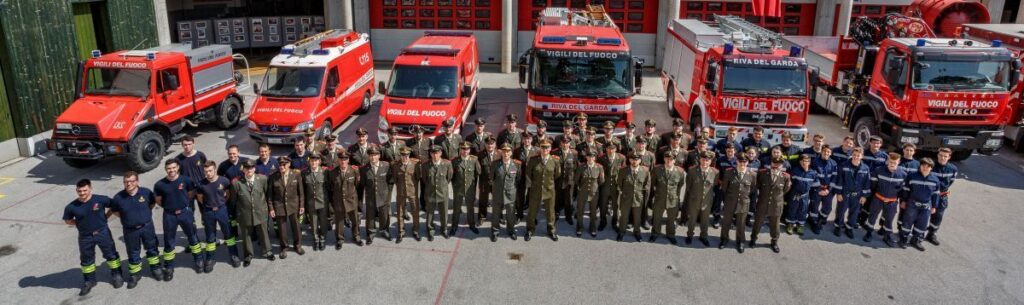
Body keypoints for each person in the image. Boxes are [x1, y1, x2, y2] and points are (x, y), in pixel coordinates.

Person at [65, 179, 123, 296]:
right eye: (79, 191)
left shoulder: (100, 199)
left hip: (102, 233)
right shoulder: (71, 207)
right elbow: (68, 220)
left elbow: (113, 206)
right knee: (86, 260)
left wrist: (106, 217)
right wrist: (80, 224)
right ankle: (89, 281)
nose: (82, 193)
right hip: (85, 236)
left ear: (90, 189)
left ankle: (116, 275)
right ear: (76, 190)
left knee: (111, 254)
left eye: (85, 190)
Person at [109, 172, 161, 287]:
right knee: (133, 252)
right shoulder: (118, 198)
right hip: (130, 230)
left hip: (147, 227)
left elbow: (151, 204)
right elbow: (116, 212)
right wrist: (129, 219)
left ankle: (155, 268)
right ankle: (135, 274)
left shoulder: (146, 193)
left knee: (152, 247)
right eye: (126, 182)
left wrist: (143, 217)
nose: (129, 184)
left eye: (132, 181)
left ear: (137, 182)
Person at [153, 159, 204, 278]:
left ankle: (199, 260)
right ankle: (169, 266)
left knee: (192, 236)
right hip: (169, 215)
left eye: (173, 168)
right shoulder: (160, 184)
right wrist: (170, 206)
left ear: (178, 168)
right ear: (166, 169)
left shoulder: (186, 180)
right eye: (169, 168)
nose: (171, 170)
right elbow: (158, 200)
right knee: (169, 241)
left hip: (184, 213)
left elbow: (191, 193)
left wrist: (183, 202)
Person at [196, 161, 240, 273]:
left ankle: (234, 255)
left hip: (222, 210)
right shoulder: (201, 184)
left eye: (210, 171)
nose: (208, 173)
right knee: (210, 237)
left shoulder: (224, 181)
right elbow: (200, 198)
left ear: (215, 170)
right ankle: (210, 258)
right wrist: (209, 206)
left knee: (229, 234)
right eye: (206, 171)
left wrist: (221, 203)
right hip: (208, 212)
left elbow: (228, 194)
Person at [230, 160, 275, 265]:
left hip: (260, 212)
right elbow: (233, 200)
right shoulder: (237, 183)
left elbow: (267, 194)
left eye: (251, 168)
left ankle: (267, 251)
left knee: (263, 233)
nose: (249, 170)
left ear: (254, 168)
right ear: (243, 169)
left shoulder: (263, 179)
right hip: (244, 214)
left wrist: (268, 208)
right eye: (246, 168)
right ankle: (248, 255)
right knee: (246, 236)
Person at [864, 153, 908, 246]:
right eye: (891, 162)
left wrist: (901, 200)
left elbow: (902, 190)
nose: (892, 164)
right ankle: (869, 233)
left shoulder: (903, 174)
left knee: (889, 219)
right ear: (887, 161)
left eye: (895, 162)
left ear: (899, 162)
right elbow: (873, 185)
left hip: (892, 201)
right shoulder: (879, 170)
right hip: (878, 198)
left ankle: (887, 236)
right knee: (872, 216)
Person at [750, 157, 791, 253]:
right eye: (774, 163)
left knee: (775, 225)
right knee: (758, 223)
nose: (776, 166)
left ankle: (774, 242)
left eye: (779, 164)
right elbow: (757, 186)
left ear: (782, 166)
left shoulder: (786, 176)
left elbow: (785, 190)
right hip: (762, 203)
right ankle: (753, 239)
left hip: (776, 205)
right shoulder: (762, 173)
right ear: (771, 163)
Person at [899, 157, 941, 251]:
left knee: (922, 224)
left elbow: (936, 194)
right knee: (907, 222)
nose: (925, 168)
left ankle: (916, 240)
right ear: (920, 166)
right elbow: (906, 190)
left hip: (926, 206)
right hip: (912, 204)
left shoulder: (935, 180)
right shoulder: (912, 176)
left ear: (931, 168)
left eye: (928, 166)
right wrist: (903, 201)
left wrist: (934, 206)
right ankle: (903, 239)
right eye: (923, 166)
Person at [268, 156, 304, 258]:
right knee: (282, 229)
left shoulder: (296, 174)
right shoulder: (273, 176)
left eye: (284, 164)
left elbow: (301, 192)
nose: (281, 166)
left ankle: (297, 245)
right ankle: (284, 247)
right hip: (279, 206)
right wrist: (271, 208)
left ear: (289, 164)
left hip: (293, 205)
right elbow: (270, 195)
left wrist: (301, 205)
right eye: (280, 164)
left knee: (296, 227)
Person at [525, 140, 562, 241]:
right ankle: (530, 230)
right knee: (532, 211)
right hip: (535, 189)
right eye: (543, 147)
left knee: (550, 213)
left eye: (547, 147)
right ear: (540, 148)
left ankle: (551, 230)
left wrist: (548, 183)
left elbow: (557, 174)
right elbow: (528, 173)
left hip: (549, 190)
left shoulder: (555, 160)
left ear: (550, 149)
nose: (545, 149)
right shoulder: (533, 160)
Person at [832, 148, 872, 238]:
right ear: (851, 155)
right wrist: (838, 193)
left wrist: (864, 196)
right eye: (854, 155)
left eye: (858, 155)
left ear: (862, 156)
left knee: (854, 212)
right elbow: (839, 180)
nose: (856, 157)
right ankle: (838, 226)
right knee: (841, 210)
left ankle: (849, 228)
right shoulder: (844, 165)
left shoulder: (865, 168)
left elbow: (867, 183)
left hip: (857, 195)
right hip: (844, 193)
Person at [719, 155, 755, 253]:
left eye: (744, 162)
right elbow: (724, 188)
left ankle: (740, 241)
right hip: (730, 201)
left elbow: (751, 190)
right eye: (740, 161)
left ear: (747, 162)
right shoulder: (729, 172)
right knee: (726, 222)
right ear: (737, 162)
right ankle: (724, 239)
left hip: (743, 202)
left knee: (741, 224)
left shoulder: (752, 174)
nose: (742, 164)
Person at [327, 152, 364, 248]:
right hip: (339, 200)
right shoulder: (333, 172)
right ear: (338, 160)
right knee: (339, 221)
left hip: (351, 200)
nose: (343, 161)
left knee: (355, 220)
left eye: (345, 159)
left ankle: (356, 236)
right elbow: (331, 187)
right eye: (341, 159)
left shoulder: (354, 170)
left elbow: (356, 184)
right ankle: (339, 239)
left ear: (348, 160)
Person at [419, 145, 453, 240]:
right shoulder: (425, 165)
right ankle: (430, 229)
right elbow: (425, 179)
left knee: (444, 212)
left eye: (437, 153)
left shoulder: (447, 164)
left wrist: (442, 186)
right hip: (430, 193)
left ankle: (444, 229)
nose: (435, 155)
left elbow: (449, 177)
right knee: (430, 213)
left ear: (441, 153)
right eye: (433, 153)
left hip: (443, 192)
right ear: (430, 154)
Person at [490, 144, 524, 241]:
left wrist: (511, 188)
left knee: (511, 213)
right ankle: (495, 231)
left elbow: (518, 179)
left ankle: (511, 230)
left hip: (510, 194)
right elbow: (492, 178)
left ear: (511, 153)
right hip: (498, 193)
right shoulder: (495, 164)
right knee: (496, 214)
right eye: (504, 151)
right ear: (501, 152)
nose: (506, 153)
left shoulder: (517, 164)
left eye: (508, 151)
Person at [650, 151, 685, 244]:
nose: (669, 160)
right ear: (664, 159)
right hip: (659, 198)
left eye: (671, 159)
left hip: (673, 199)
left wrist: (676, 196)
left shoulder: (680, 171)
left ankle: (670, 234)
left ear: (674, 160)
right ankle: (655, 233)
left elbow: (680, 185)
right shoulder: (657, 169)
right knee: (657, 217)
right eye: (667, 158)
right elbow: (653, 183)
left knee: (671, 219)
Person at [684, 151, 717, 246]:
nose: (705, 162)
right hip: (694, 199)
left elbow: (713, 185)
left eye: (707, 160)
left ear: (710, 161)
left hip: (707, 201)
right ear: (700, 159)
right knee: (692, 219)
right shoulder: (692, 170)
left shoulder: (715, 172)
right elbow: (688, 186)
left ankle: (703, 236)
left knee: (705, 220)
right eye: (703, 160)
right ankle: (689, 235)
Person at [615, 152, 650, 242]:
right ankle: (621, 232)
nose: (634, 161)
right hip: (626, 197)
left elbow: (646, 185)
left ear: (640, 160)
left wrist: (641, 195)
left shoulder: (645, 171)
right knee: (624, 216)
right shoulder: (623, 170)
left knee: (637, 217)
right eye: (632, 159)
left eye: (636, 159)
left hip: (638, 198)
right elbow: (619, 184)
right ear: (629, 160)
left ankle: (637, 232)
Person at [361, 147, 393, 244]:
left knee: (384, 214)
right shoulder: (364, 169)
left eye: (375, 155)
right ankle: (371, 233)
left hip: (383, 195)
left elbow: (390, 181)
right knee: (370, 215)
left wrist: (388, 193)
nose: (373, 157)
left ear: (379, 155)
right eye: (371, 155)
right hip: (370, 196)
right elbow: (363, 184)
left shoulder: (386, 166)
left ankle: (384, 230)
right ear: (369, 156)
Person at [925, 148, 956, 246]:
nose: (943, 158)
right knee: (923, 215)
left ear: (949, 157)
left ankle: (931, 234)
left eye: (945, 156)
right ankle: (917, 234)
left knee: (938, 217)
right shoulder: (931, 166)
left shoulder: (953, 169)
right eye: (941, 155)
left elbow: (951, 181)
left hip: (942, 197)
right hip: (929, 196)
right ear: (937, 155)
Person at [451, 142, 482, 235]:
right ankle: (454, 226)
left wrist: (473, 184)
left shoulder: (474, 160)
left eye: (467, 149)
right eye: (463, 149)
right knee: (456, 208)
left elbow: (478, 172)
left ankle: (472, 225)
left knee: (470, 208)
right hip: (458, 188)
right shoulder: (455, 161)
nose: (465, 151)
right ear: (460, 150)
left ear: (469, 150)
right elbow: (452, 176)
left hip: (470, 189)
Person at [784, 154, 819, 235]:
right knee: (792, 209)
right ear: (800, 162)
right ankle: (790, 224)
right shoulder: (795, 171)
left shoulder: (813, 173)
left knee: (803, 210)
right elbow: (790, 181)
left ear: (809, 162)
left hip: (805, 196)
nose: (804, 162)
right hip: (794, 194)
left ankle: (800, 225)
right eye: (802, 161)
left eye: (806, 161)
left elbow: (816, 185)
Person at [391, 147, 420, 243]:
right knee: (400, 212)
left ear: (409, 155)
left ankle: (415, 230)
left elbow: (418, 178)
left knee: (415, 211)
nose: (405, 157)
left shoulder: (415, 164)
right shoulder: (396, 165)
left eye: (407, 155)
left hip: (412, 192)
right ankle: (401, 232)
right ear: (400, 155)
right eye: (403, 155)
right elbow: (395, 179)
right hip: (401, 192)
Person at [302, 154, 330, 251]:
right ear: (309, 162)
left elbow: (328, 187)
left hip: (322, 201)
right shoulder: (305, 173)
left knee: (323, 221)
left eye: (316, 161)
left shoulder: (325, 172)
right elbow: (304, 189)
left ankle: (322, 238)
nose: (314, 163)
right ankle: (315, 238)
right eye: (312, 161)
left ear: (319, 162)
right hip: (311, 202)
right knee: (313, 222)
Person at [574, 149, 604, 237]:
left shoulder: (599, 167)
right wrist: (582, 187)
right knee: (580, 211)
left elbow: (601, 181)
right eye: (589, 156)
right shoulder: (581, 167)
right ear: (586, 157)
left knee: (593, 211)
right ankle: (579, 226)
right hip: (582, 192)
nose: (591, 158)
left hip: (594, 193)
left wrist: (594, 187)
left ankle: (592, 227)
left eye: (592, 157)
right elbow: (576, 180)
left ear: (595, 158)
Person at [808, 145, 837, 234]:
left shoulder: (833, 163)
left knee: (827, 208)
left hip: (828, 190)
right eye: (824, 151)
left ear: (831, 153)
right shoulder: (815, 162)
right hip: (817, 189)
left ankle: (820, 219)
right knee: (814, 207)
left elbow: (834, 177)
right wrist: (818, 189)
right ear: (821, 152)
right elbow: (813, 175)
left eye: (828, 152)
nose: (826, 153)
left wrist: (829, 190)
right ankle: (814, 222)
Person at [598, 144, 626, 231]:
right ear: (606, 149)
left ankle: (615, 222)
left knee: (616, 206)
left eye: (612, 149)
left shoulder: (621, 158)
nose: (610, 151)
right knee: (603, 205)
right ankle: (603, 221)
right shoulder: (601, 157)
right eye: (608, 149)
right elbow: (599, 171)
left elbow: (623, 172)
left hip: (616, 185)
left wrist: (622, 185)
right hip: (605, 185)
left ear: (616, 149)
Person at [514, 132, 538, 220]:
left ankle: (532, 216)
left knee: (532, 198)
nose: (526, 140)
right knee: (520, 197)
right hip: (521, 176)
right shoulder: (517, 151)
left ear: (531, 140)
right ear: (522, 140)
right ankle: (519, 214)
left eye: (528, 139)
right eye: (525, 139)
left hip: (532, 177)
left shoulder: (537, 150)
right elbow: (514, 164)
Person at [555, 136, 578, 225]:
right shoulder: (555, 152)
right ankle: (556, 214)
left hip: (569, 180)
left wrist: (574, 181)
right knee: (557, 198)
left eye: (567, 143)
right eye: (563, 143)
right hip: (558, 180)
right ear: (561, 143)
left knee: (569, 200)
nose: (565, 144)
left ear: (569, 143)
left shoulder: (574, 153)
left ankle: (568, 216)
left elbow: (576, 167)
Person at [477, 137, 499, 221]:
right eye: (488, 144)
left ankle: (498, 216)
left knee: (497, 201)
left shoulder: (499, 154)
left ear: (495, 144)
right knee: (483, 200)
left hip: (496, 182)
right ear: (485, 144)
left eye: (492, 143)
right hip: (484, 181)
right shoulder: (480, 155)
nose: (490, 145)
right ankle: (482, 216)